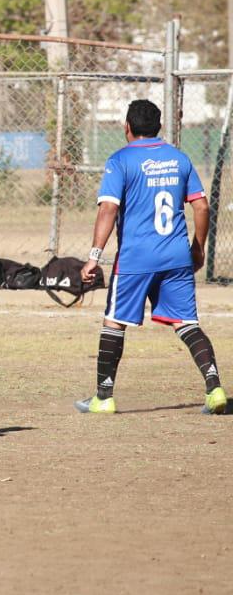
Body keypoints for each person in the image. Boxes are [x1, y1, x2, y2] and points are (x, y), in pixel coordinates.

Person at [74, 99, 226, 415]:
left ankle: (103, 396)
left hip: (135, 259)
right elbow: (201, 206)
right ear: (158, 127)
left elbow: (108, 209)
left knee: (114, 321)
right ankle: (214, 389)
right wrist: (197, 248)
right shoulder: (179, 159)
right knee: (186, 322)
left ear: (127, 127)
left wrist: (92, 257)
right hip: (175, 257)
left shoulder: (120, 160)